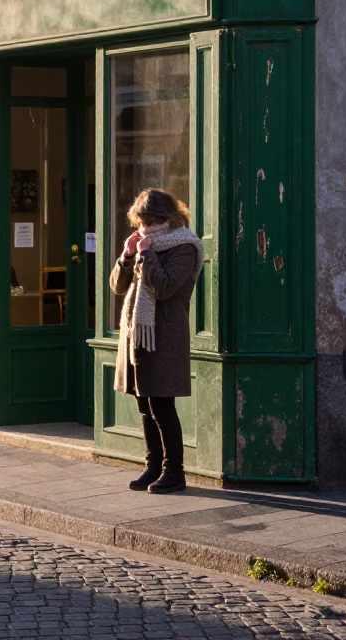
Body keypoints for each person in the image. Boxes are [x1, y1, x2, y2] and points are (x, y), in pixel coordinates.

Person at [110, 188, 203, 494]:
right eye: (139, 223)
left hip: (163, 336)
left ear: (166, 218)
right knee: (143, 405)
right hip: (136, 334)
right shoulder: (141, 244)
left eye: (148, 222)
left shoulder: (184, 246)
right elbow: (118, 287)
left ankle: (174, 472)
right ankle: (153, 466)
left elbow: (163, 288)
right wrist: (127, 256)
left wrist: (147, 254)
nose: (142, 228)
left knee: (161, 406)